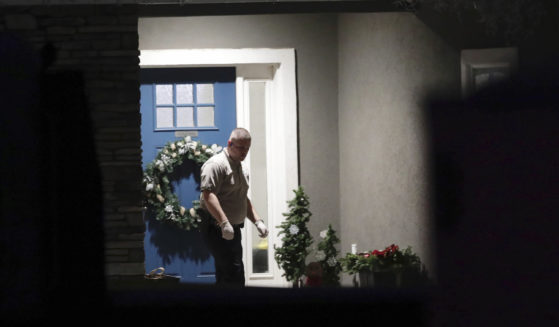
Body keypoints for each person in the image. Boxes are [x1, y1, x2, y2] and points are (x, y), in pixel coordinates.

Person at [199, 127, 269, 287]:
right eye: (241, 147)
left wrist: (258, 221)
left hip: (233, 229)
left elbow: (241, 198)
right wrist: (224, 223)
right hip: (216, 228)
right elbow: (208, 195)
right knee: (234, 274)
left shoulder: (241, 167)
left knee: (226, 275)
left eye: (247, 148)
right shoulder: (216, 165)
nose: (245, 152)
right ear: (230, 144)